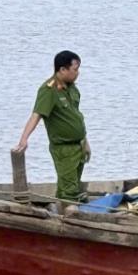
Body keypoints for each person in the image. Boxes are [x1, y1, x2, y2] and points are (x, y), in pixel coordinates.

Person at [13, 50, 91, 203]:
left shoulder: (72, 88)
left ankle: (61, 211)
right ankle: (69, 219)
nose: (78, 73)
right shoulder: (49, 90)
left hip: (79, 146)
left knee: (69, 186)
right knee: (69, 190)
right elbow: (37, 115)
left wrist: (85, 141)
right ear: (62, 69)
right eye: (75, 69)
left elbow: (76, 117)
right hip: (64, 149)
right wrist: (24, 139)